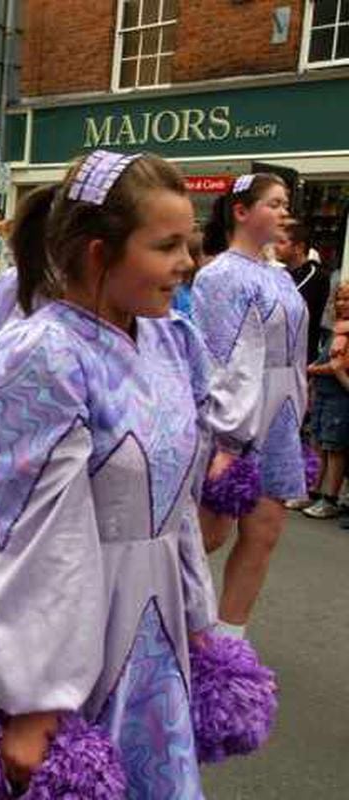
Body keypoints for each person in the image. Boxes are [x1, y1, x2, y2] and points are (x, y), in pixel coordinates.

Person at [0, 151, 271, 797]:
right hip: (68, 641)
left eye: (192, 244)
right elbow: (20, 537)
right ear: (100, 254)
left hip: (157, 631)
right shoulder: (42, 355)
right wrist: (34, 699)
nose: (187, 263)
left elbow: (173, 505)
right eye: (167, 246)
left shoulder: (174, 341)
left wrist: (200, 624)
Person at [193, 172, 307, 640]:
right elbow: (220, 359)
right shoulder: (219, 275)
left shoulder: (278, 275)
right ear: (242, 211)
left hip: (280, 415)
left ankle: (226, 641)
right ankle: (152, 617)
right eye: (275, 204)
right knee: (208, 534)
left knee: (264, 531)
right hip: (237, 418)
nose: (285, 213)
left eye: (286, 204)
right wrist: (224, 439)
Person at [303, 284, 349, 520]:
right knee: (318, 443)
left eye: (346, 300)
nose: (341, 304)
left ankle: (329, 498)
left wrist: (314, 369)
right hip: (322, 393)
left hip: (339, 398)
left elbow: (338, 367)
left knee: (334, 448)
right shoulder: (335, 329)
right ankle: (312, 491)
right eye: (339, 299)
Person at [278, 221, 328, 365]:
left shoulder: (315, 275)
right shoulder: (280, 273)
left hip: (302, 355)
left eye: (282, 242)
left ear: (299, 248)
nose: (276, 247)